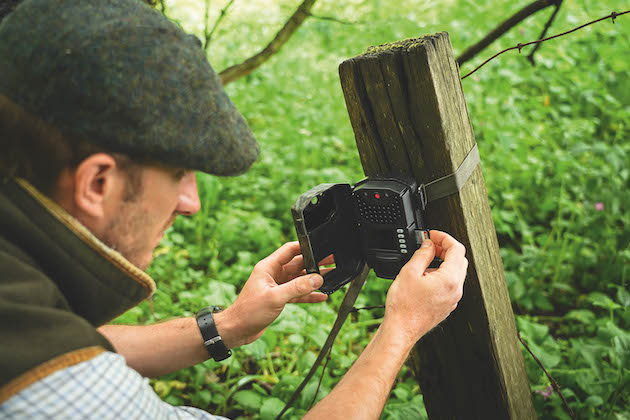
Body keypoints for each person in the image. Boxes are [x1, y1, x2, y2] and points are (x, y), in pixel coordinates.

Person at [0, 0, 468, 418]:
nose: (191, 203)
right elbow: (62, 366)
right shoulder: (61, 397)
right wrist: (402, 327)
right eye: (180, 173)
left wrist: (228, 325)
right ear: (97, 183)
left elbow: (71, 345)